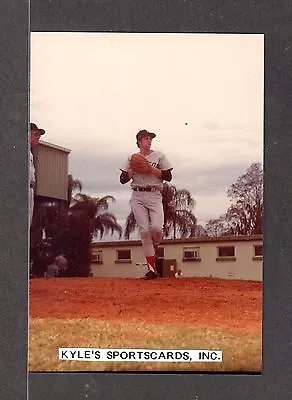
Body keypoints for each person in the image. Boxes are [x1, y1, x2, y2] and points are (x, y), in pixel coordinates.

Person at [120, 129, 173, 280]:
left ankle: (154, 248)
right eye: (146, 138)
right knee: (144, 231)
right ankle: (152, 269)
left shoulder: (159, 155)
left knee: (157, 228)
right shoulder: (132, 157)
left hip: (154, 194)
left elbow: (168, 176)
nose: (149, 141)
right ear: (139, 141)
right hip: (137, 194)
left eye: (150, 138)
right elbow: (122, 179)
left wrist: (151, 169)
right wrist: (133, 170)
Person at [29, 122, 45, 228]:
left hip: (30, 188)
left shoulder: (30, 153)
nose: (37, 138)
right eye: (35, 135)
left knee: (28, 221)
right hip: (23, 188)